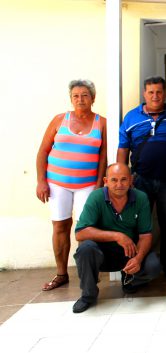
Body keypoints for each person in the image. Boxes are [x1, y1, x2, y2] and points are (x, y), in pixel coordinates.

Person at [36, 79, 107, 291]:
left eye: (85, 95)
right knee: (60, 226)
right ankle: (61, 273)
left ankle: (87, 274)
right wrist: (41, 181)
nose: (80, 99)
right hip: (58, 183)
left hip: (87, 185)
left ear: (93, 98)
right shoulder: (60, 120)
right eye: (76, 96)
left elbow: (103, 157)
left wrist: (98, 185)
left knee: (86, 229)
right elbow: (43, 151)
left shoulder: (102, 123)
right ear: (70, 99)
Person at [117, 76, 166, 281]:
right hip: (140, 181)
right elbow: (123, 149)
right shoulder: (131, 117)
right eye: (151, 92)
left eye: (159, 92)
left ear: (165, 93)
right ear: (144, 94)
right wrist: (123, 177)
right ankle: (135, 267)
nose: (155, 96)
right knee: (137, 225)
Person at [72, 163, 161, 313]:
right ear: (106, 181)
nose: (119, 184)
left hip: (129, 251)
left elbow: (145, 235)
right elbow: (80, 233)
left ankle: (130, 281)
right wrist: (117, 236)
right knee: (85, 249)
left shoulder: (140, 198)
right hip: (101, 252)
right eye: (114, 180)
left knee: (154, 266)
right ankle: (88, 295)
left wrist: (138, 259)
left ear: (131, 180)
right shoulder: (96, 197)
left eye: (124, 179)